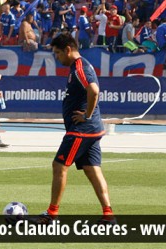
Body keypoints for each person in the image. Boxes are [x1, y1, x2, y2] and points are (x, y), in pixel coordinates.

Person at [37, 32, 114, 223]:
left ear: (68, 50)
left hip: (82, 130)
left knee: (59, 165)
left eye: (58, 53)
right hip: (91, 130)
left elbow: (94, 90)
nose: (57, 58)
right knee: (92, 169)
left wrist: (86, 114)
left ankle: (52, 214)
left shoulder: (80, 67)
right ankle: (108, 215)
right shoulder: (78, 67)